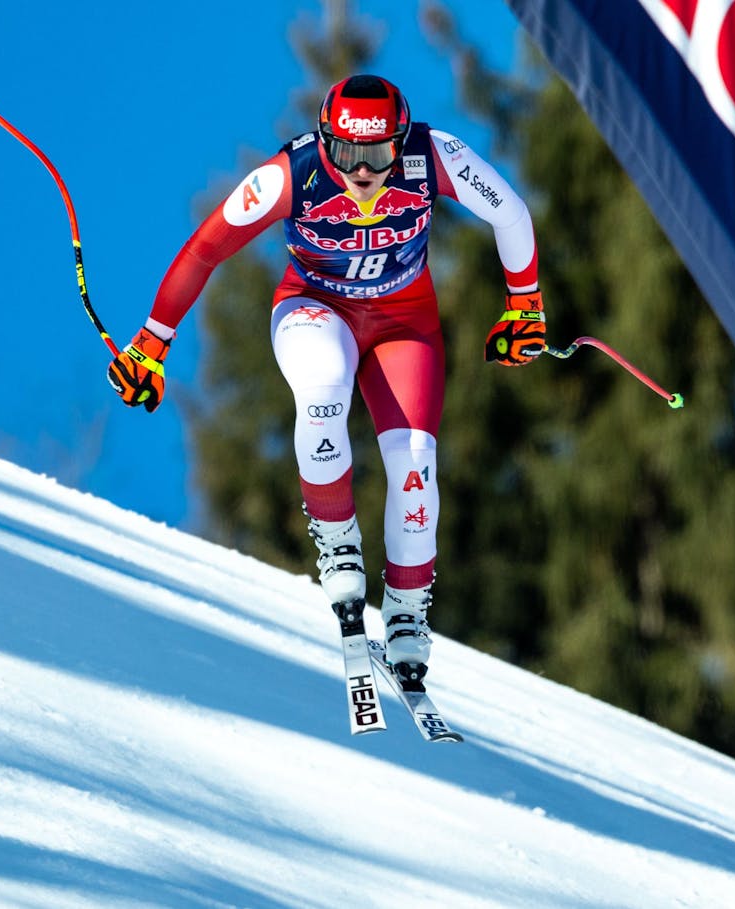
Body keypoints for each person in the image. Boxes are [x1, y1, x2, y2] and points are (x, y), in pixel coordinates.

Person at [108, 74, 545, 683]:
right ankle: (338, 539)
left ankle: (408, 608)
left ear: (401, 141)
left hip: (403, 323)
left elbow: (510, 213)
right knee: (324, 390)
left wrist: (526, 306)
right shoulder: (290, 174)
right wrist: (152, 342)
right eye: (347, 153)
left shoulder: (433, 154)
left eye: (377, 154)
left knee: (415, 464)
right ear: (324, 141)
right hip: (316, 308)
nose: (362, 171)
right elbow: (207, 247)